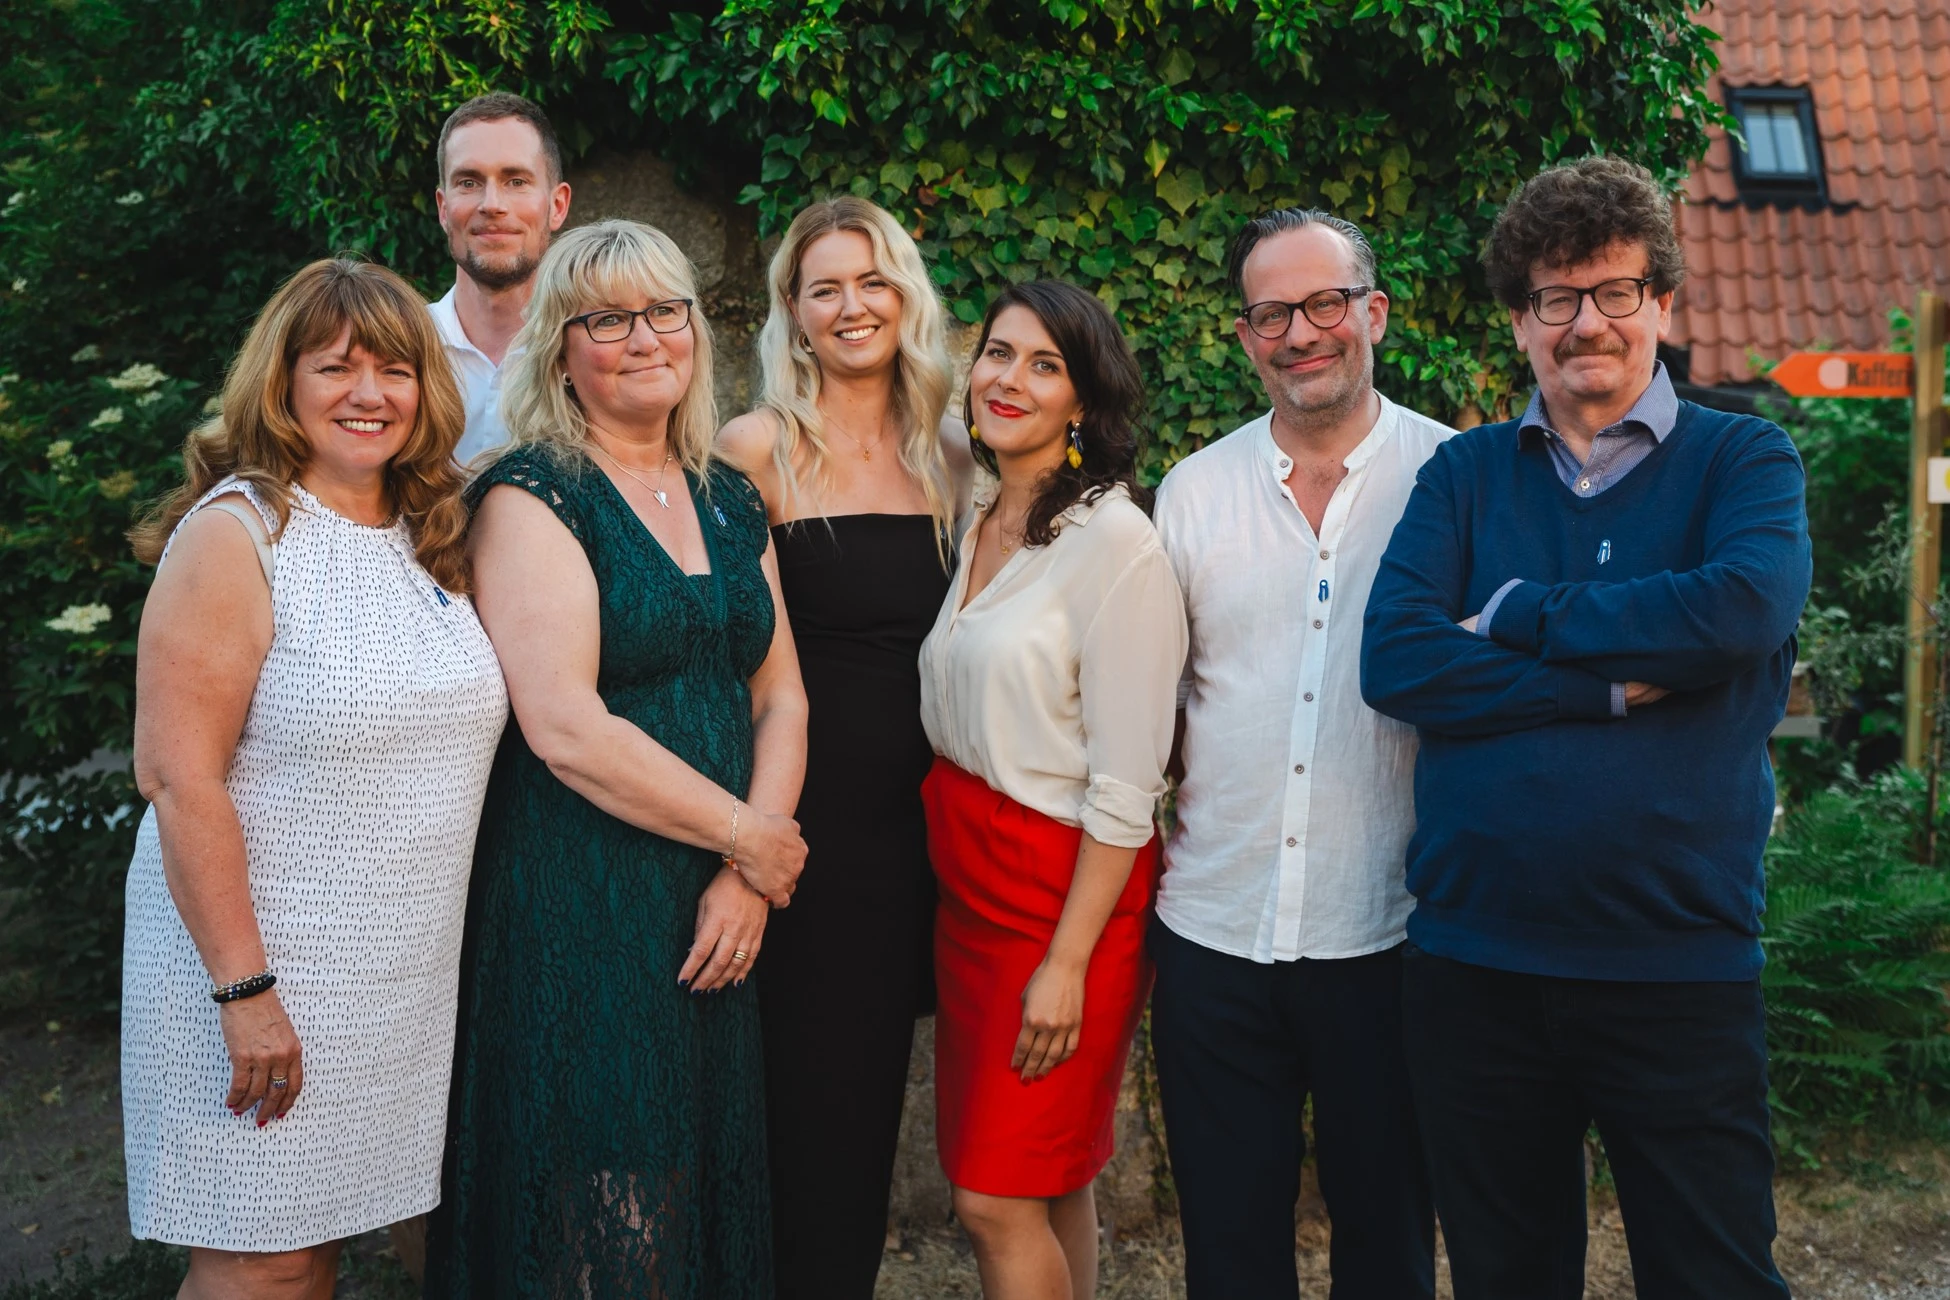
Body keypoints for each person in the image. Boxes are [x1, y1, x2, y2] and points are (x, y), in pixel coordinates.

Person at [1361, 156, 1809, 1299]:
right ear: (1521, 321)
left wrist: (1519, 612)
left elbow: (1738, 610)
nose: (1586, 323)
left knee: (1713, 1278)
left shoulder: (1744, 459)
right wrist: (1602, 685)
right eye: (1555, 298)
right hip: (1475, 965)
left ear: (1663, 302)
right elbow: (1398, 658)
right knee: (1506, 1278)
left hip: (1676, 961)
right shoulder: (1465, 475)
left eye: (1614, 291)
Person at [423, 219, 809, 1300]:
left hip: (717, 893)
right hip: (586, 889)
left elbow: (781, 695)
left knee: (683, 1179)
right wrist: (750, 838)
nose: (644, 338)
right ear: (559, 349)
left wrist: (746, 873)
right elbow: (565, 726)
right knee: (606, 1202)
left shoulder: (728, 493)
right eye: (606, 320)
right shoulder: (531, 493)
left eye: (664, 310)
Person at [121, 258, 507, 1299]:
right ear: (282, 382)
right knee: (266, 1262)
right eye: (335, 367)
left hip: (393, 981)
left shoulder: (434, 531)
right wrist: (244, 992)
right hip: (252, 966)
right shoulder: (237, 533)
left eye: (394, 370)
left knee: (314, 1252)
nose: (368, 394)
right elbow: (178, 777)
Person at [1148, 209, 1447, 1299]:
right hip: (1215, 931)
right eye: (1271, 314)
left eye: (1325, 303)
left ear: (1375, 312)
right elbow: (1158, 705)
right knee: (1228, 1256)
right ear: (1245, 336)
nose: (1301, 333)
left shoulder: (1453, 476)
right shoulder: (1192, 492)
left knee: (1389, 1249)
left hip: (1392, 931)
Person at [717, 196, 973, 1300]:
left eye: (873, 281)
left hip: (933, 833)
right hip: (811, 836)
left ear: (906, 296)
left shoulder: (956, 453)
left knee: (869, 1123)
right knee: (809, 1126)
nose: (852, 305)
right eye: (825, 286)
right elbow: (734, 662)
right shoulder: (755, 449)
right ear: (794, 310)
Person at [919, 280, 1186, 1300]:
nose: (1010, 380)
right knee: (1046, 1175)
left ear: (1084, 399)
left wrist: (1067, 963)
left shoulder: (1116, 545)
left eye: (1045, 365)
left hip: (1063, 897)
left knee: (992, 1199)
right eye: (997, 353)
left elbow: (1127, 785)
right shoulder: (979, 506)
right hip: (969, 891)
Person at [429, 91, 572, 466]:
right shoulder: (399, 347)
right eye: (469, 182)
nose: (492, 204)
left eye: (516, 181)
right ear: (443, 209)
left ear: (557, 206)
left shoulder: (591, 352)